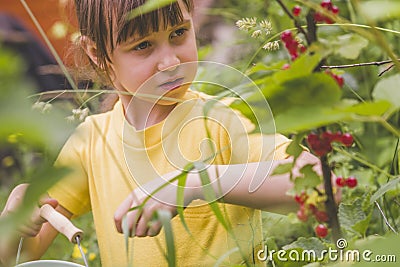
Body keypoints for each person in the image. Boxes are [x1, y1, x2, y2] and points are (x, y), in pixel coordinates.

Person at [0, 0, 324, 266]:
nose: (169, 62)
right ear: (98, 53)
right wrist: (15, 221)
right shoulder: (91, 142)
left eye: (179, 33)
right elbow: (21, 255)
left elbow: (320, 186)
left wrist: (199, 183)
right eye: (143, 45)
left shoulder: (221, 121)